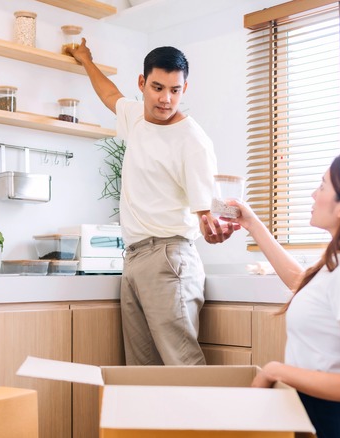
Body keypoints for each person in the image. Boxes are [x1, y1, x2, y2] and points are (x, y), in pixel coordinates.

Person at [67, 39, 239, 365]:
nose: (166, 99)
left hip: (169, 258)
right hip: (134, 258)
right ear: (142, 83)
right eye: (158, 87)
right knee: (141, 371)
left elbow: (207, 211)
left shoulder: (193, 141)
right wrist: (86, 59)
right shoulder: (135, 117)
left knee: (182, 366)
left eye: (175, 90)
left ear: (185, 87)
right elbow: (108, 95)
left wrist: (214, 226)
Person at [221, 151, 340, 438]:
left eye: (322, 186)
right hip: (318, 420)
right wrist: (253, 224)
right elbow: (303, 284)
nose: (313, 194)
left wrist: (275, 370)